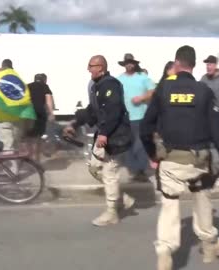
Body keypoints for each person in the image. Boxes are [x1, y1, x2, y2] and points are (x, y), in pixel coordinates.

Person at [139, 45, 219, 270]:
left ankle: (165, 251)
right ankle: (209, 246)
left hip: (171, 161)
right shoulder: (203, 91)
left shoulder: (163, 89)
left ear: (176, 64)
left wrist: (152, 154)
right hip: (199, 162)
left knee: (169, 205)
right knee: (202, 200)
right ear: (193, 65)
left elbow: (145, 128)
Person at [63, 55, 135, 227]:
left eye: (91, 66)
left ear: (100, 67)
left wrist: (104, 133)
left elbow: (114, 110)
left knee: (109, 172)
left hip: (114, 137)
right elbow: (92, 111)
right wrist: (74, 122)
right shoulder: (97, 86)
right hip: (104, 136)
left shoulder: (110, 84)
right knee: (95, 167)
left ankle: (112, 213)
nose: (89, 69)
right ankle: (121, 198)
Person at [117, 53, 156, 181]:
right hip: (125, 118)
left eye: (131, 62)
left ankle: (141, 170)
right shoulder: (119, 79)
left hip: (140, 117)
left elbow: (153, 91)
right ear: (124, 64)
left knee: (139, 144)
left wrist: (141, 97)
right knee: (128, 145)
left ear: (134, 64)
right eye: (127, 62)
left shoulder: (142, 77)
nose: (129, 64)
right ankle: (134, 171)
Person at [27, 73, 55, 161]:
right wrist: (51, 113)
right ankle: (36, 160)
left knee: (29, 137)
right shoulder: (45, 86)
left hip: (28, 114)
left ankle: (28, 159)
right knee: (37, 137)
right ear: (44, 80)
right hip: (40, 113)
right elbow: (48, 99)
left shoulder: (28, 86)